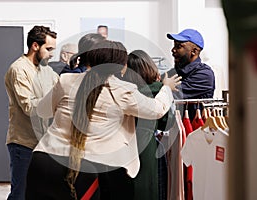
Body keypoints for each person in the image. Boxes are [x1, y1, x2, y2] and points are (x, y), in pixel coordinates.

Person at [25, 40, 181, 199]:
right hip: (89, 170)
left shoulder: (65, 80)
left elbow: (43, 111)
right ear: (122, 68)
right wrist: (166, 87)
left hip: (45, 161)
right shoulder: (123, 91)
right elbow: (158, 109)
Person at [4, 25, 59, 200]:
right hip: (24, 143)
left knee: (40, 193)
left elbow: (60, 91)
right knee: (20, 194)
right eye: (48, 49)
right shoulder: (19, 69)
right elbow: (29, 107)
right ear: (35, 46)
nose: (52, 54)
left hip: (43, 143)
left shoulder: (47, 70)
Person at [123, 49, 174, 200]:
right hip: (146, 148)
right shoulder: (157, 92)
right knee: (147, 188)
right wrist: (165, 87)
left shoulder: (123, 91)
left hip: (122, 146)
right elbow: (166, 124)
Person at [166, 28, 215, 120]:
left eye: (179, 46)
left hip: (197, 130)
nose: (173, 50)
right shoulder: (174, 72)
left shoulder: (204, 74)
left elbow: (173, 94)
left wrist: (164, 86)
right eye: (174, 46)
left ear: (194, 51)